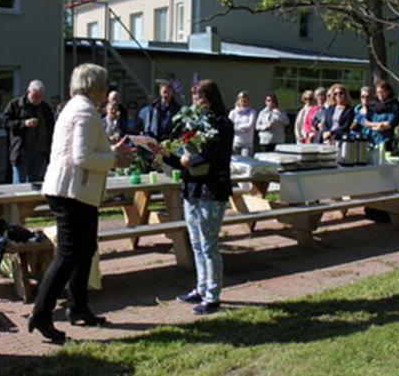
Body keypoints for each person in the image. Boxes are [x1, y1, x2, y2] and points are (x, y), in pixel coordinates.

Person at [29, 63, 130, 342]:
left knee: (85, 251)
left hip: (75, 191)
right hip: (72, 192)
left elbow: (81, 153)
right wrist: (115, 158)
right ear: (94, 86)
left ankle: (79, 307)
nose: (107, 90)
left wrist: (110, 151)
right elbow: (82, 158)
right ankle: (41, 314)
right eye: (104, 85)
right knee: (68, 255)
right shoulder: (85, 111)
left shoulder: (76, 108)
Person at [148, 79, 233, 315]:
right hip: (192, 187)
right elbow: (181, 158)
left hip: (212, 188)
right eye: (194, 96)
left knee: (208, 243)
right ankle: (201, 287)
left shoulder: (222, 124)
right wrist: (164, 154)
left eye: (200, 96)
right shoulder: (192, 125)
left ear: (211, 98)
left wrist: (192, 160)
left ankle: (213, 296)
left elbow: (217, 155)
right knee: (195, 242)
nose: (196, 100)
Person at [3, 80, 55, 184]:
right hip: (21, 152)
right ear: (28, 92)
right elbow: (6, 122)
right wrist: (24, 123)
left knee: (35, 184)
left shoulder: (45, 108)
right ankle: (17, 200)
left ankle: (32, 201)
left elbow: (51, 127)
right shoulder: (15, 105)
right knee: (20, 184)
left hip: (40, 152)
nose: (37, 100)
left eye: (40, 97)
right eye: (34, 96)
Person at [365, 80, 399, 150]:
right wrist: (379, 125)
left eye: (383, 91)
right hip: (372, 139)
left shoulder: (394, 105)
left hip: (386, 140)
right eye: (378, 92)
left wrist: (373, 125)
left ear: (388, 92)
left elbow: (390, 124)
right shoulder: (372, 105)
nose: (380, 94)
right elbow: (366, 123)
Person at [228, 91, 257, 156]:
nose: (244, 103)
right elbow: (230, 126)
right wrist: (242, 128)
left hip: (247, 143)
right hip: (235, 142)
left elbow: (250, 125)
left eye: (245, 101)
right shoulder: (233, 112)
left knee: (245, 162)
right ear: (238, 101)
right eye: (242, 100)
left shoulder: (252, 112)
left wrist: (237, 127)